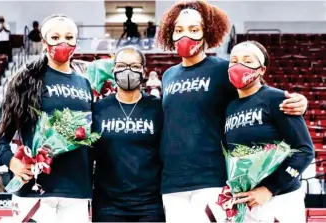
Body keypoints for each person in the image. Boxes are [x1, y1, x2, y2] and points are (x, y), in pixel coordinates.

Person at [155, 1, 309, 222]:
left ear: (207, 31)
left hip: (213, 178)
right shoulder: (168, 75)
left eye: (193, 29)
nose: (185, 35)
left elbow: (257, 95)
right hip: (172, 181)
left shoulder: (222, 69)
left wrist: (299, 101)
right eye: (179, 29)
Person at [0, 14, 93, 223]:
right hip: (35, 191)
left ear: (76, 42)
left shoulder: (85, 83)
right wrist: (11, 162)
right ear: (44, 42)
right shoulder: (26, 80)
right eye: (55, 37)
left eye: (69, 37)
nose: (63, 42)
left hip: (77, 191)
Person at [225, 41, 314, 222]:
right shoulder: (229, 107)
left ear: (262, 70)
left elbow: (305, 151)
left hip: (280, 199)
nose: (238, 65)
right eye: (233, 61)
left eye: (247, 61)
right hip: (246, 201)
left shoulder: (277, 99)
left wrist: (269, 188)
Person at [91, 46, 165, 222]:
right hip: (108, 204)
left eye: (134, 66)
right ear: (113, 70)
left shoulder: (158, 108)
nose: (128, 71)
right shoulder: (98, 109)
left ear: (143, 71)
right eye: (122, 65)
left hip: (150, 204)